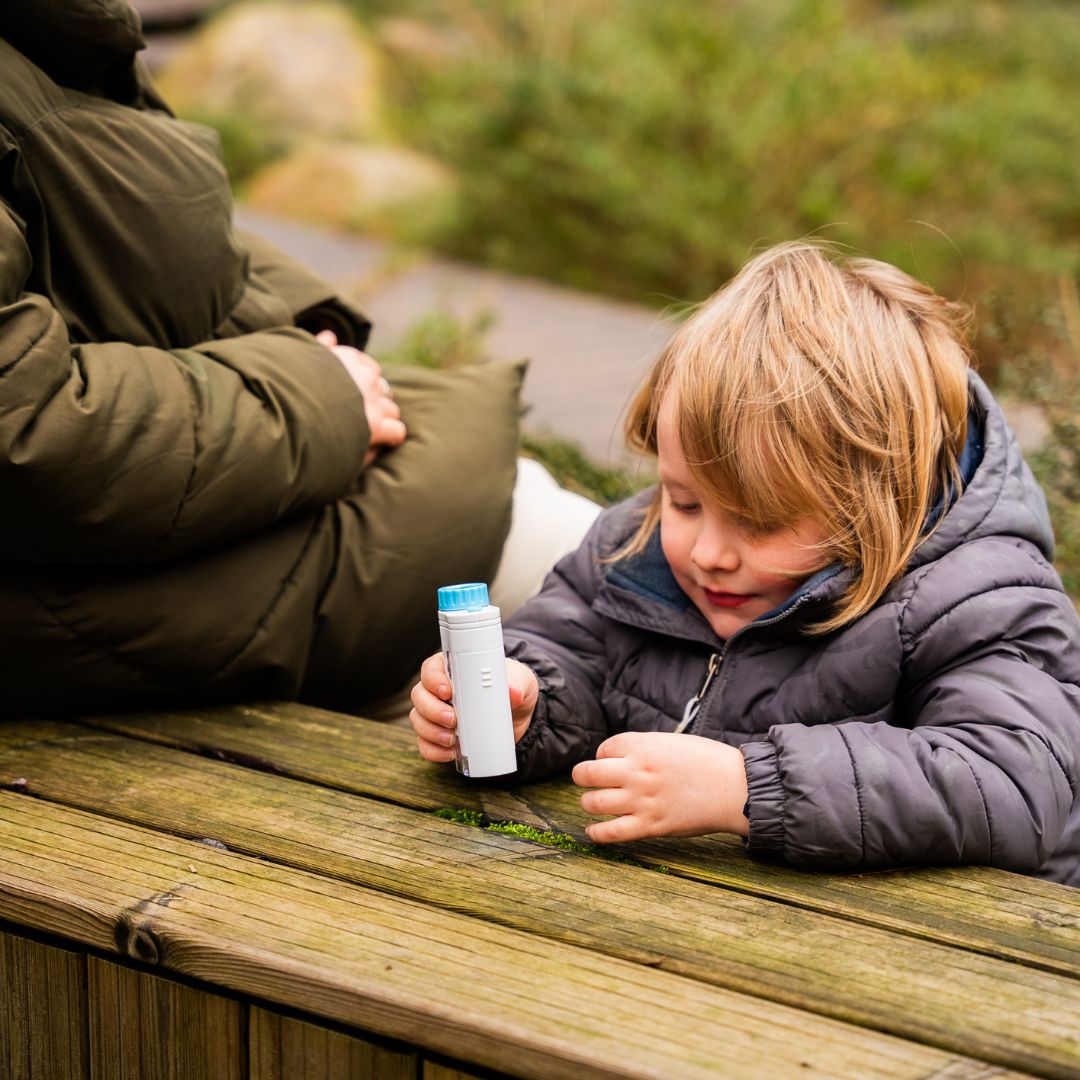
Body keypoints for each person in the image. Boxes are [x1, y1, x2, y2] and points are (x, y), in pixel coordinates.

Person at [411, 241, 1080, 886]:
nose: (707, 554)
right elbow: (568, 645)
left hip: (969, 949)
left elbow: (1013, 786)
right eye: (685, 499)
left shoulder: (978, 596)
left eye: (761, 521)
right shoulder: (635, 546)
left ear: (883, 500)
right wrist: (526, 701)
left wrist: (744, 786)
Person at [0, 0, 597, 717]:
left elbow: (149, 253)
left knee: (637, 556)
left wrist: (314, 334)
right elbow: (27, 431)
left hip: (225, 482)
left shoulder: (51, 40)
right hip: (127, 581)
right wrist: (322, 395)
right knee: (637, 594)